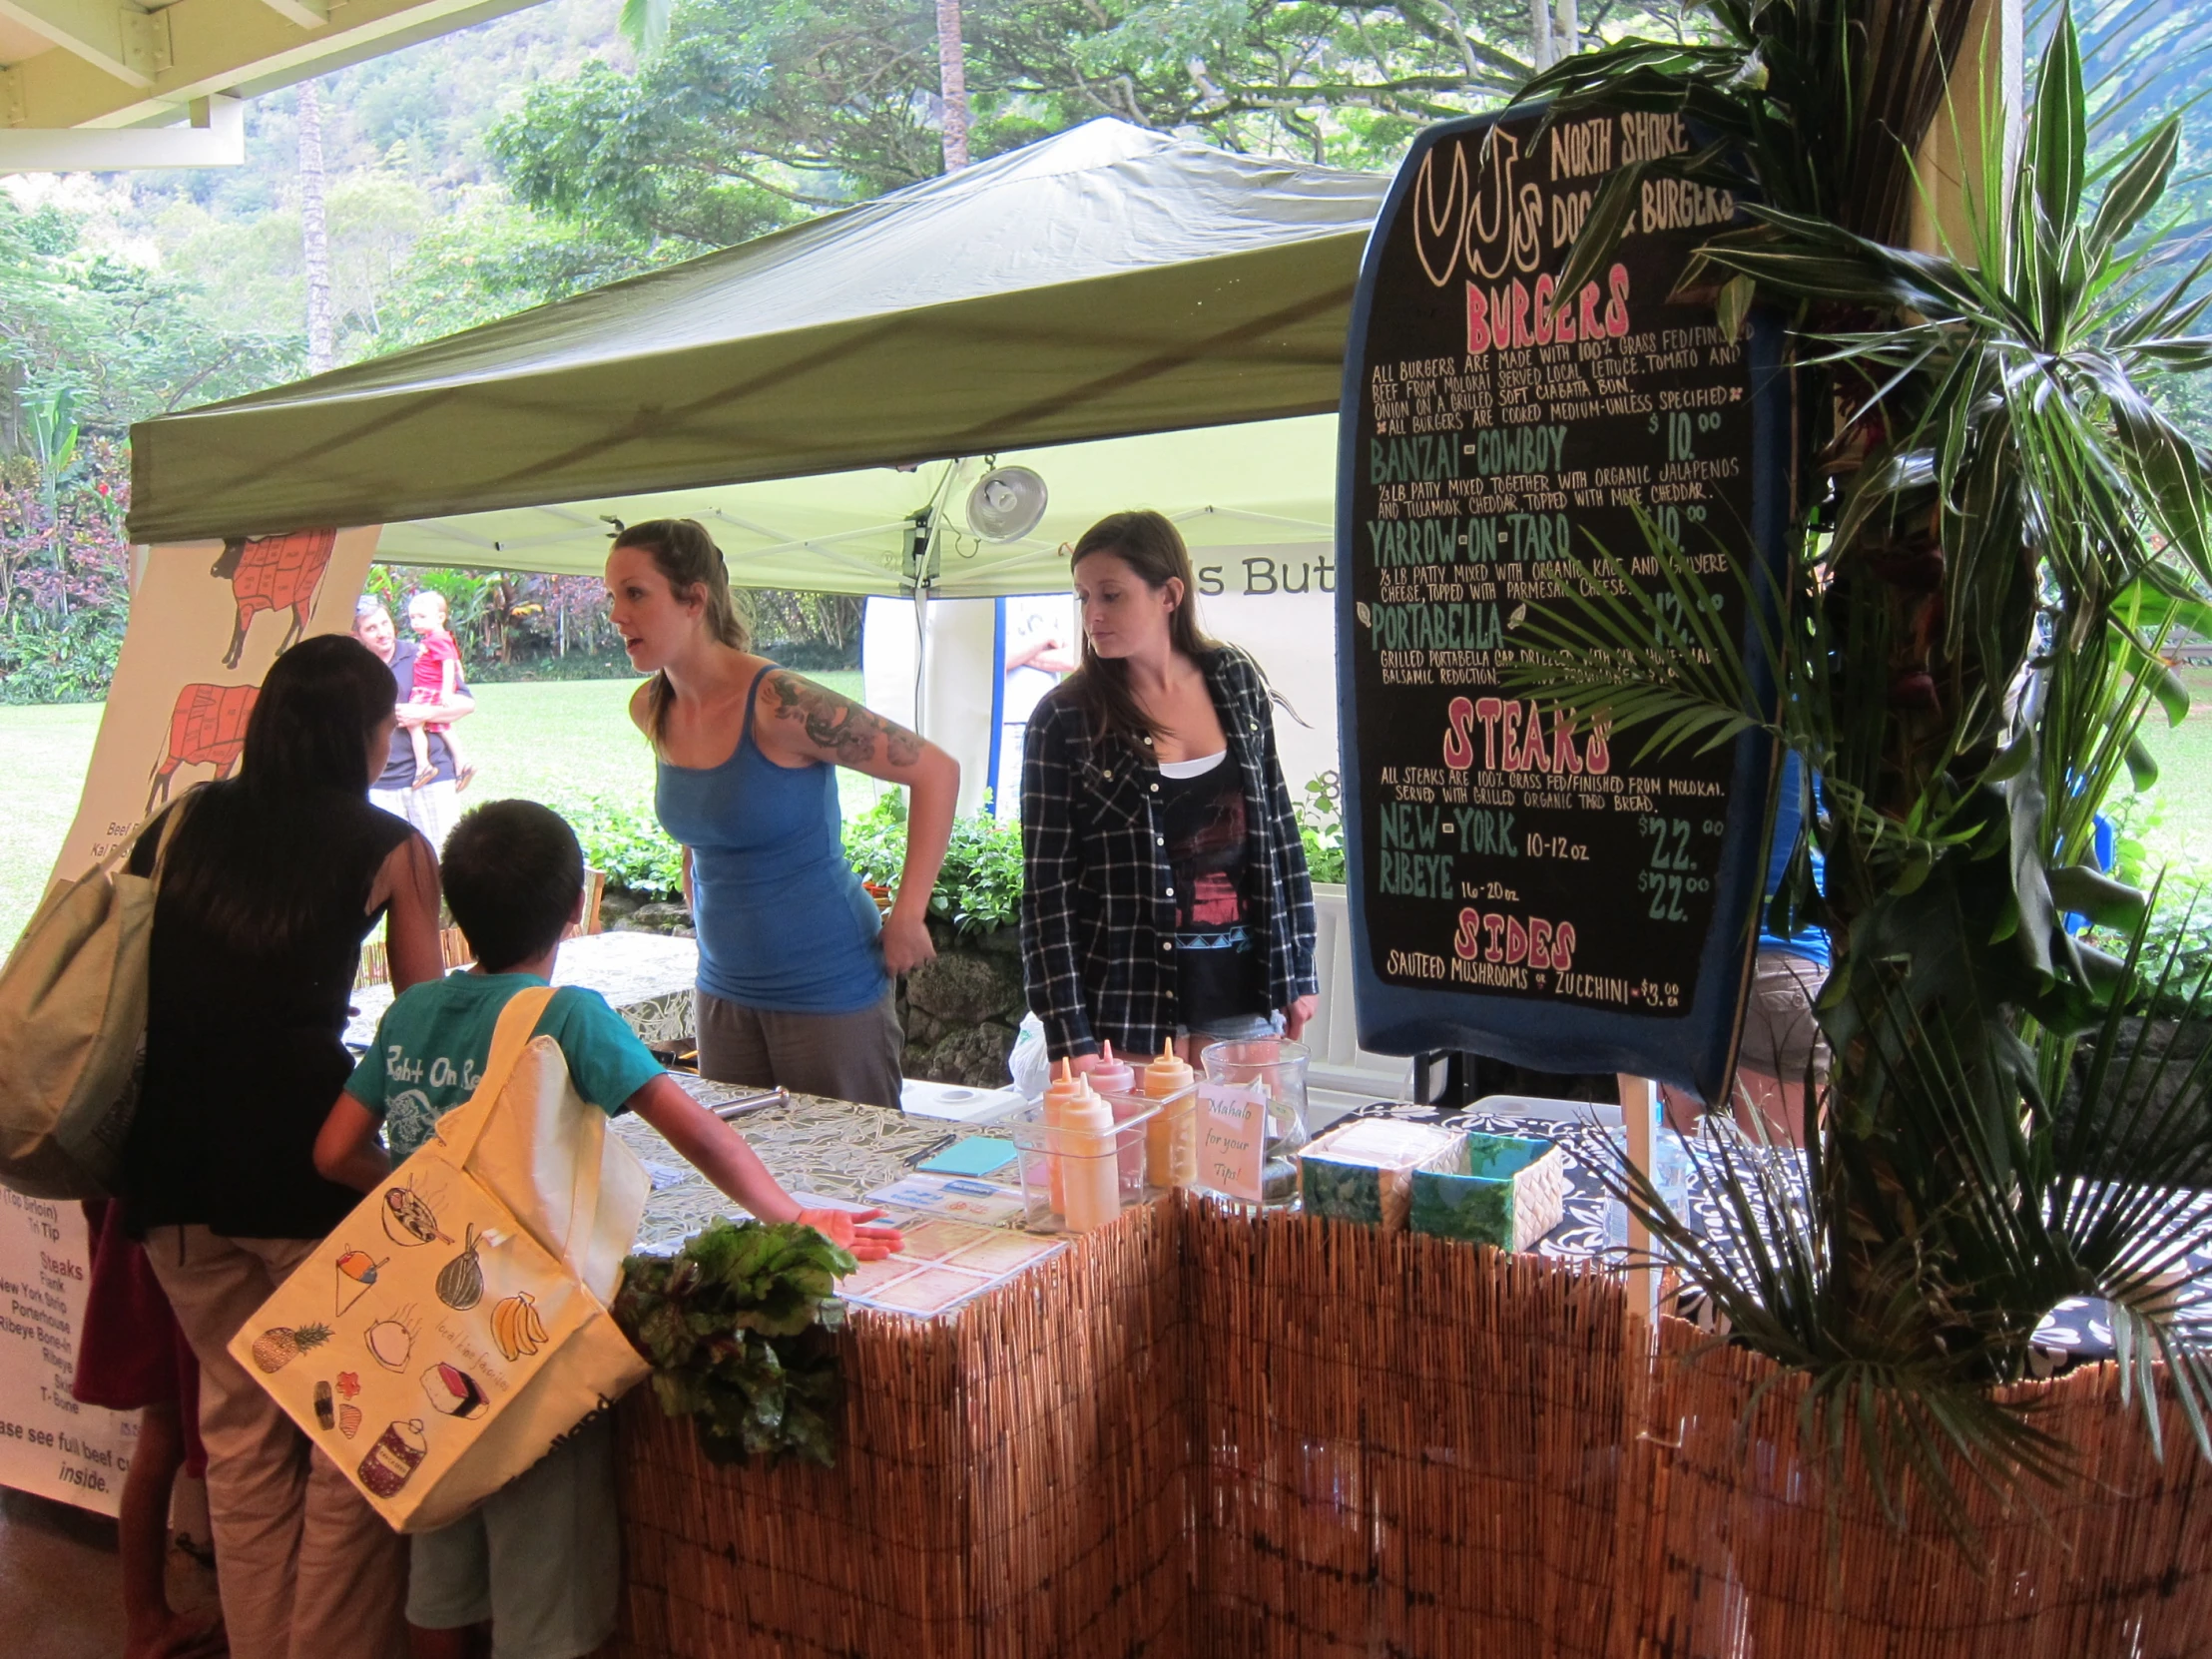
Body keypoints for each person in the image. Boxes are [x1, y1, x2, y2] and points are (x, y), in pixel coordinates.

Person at [313, 800, 903, 1659]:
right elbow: (696, 1128)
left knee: (438, 1565)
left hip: (422, 1321)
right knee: (541, 1573)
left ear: (454, 915)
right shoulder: (566, 1017)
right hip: (528, 1331)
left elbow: (334, 1150)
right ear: (567, 914)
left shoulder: (408, 1015)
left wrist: (424, 1198)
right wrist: (795, 1215)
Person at [124, 633, 444, 1659]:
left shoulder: (184, 824)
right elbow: (421, 1025)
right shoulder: (392, 846)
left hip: (169, 1170)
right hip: (306, 1170)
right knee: (352, 1436)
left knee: (242, 1436)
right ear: (367, 732)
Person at [608, 519, 959, 1110]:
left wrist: (908, 913)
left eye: (635, 594)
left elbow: (936, 771)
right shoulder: (651, 709)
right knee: (742, 1190)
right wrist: (695, 873)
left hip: (828, 987)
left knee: (851, 1183)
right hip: (722, 987)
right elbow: (710, 817)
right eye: (611, 597)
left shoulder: (780, 704)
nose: (617, 615)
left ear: (694, 599)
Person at [1020, 510, 1318, 1072]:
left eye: (1111, 595)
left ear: (1169, 594)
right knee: (1139, 1163)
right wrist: (1071, 1038)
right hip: (1123, 1005)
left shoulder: (1231, 678)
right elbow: (1047, 893)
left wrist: (1298, 970)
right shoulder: (1064, 718)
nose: (1093, 615)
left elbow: (1277, 830)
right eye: (1083, 597)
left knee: (1238, 1159)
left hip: (1242, 994)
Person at [71, 1199, 224, 1659]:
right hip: (166, 1242)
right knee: (196, 1440)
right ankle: (153, 1623)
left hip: (135, 1240)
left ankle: (147, 1619)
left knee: (160, 1436)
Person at [354, 596, 475, 850]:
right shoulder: (354, 669)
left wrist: (422, 713)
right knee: (387, 869)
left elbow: (466, 704)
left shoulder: (421, 653)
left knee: (442, 860)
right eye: (371, 628)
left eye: (385, 623)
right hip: (379, 784)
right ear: (358, 635)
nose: (382, 633)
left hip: (433, 780)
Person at [403, 590, 475, 793]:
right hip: (434, 689)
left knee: (414, 722)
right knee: (443, 726)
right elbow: (455, 661)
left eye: (422, 617)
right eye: (412, 618)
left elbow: (447, 663)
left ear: (440, 618)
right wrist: (457, 678)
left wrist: (445, 691)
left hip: (428, 689)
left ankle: (423, 765)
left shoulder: (436, 639)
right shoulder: (440, 638)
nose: (415, 622)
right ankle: (462, 762)